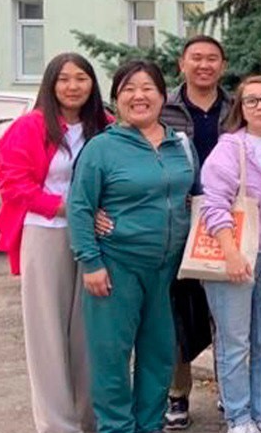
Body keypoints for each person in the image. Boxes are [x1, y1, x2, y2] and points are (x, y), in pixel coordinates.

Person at [68, 60, 197, 433]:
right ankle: (116, 427)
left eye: (147, 88)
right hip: (115, 267)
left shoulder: (180, 144)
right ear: (116, 99)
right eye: (128, 89)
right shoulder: (101, 148)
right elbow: (80, 207)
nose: (139, 96)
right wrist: (91, 262)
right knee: (112, 357)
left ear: (163, 96)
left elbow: (193, 196)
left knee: (159, 355)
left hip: (167, 270)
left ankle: (149, 425)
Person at [0, 53, 109, 433]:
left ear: (92, 84)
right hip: (45, 231)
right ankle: (58, 425)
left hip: (95, 235)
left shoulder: (104, 126)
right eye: (64, 79)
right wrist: (69, 208)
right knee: (47, 331)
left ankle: (90, 417)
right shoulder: (29, 126)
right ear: (50, 83)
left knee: (89, 329)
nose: (73, 86)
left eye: (81, 78)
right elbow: (14, 185)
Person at [200, 76, 261, 433]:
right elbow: (214, 204)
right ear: (240, 108)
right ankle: (239, 418)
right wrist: (230, 252)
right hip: (237, 257)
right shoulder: (230, 148)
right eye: (251, 100)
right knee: (235, 343)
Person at [159, 34, 234, 430]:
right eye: (196, 58)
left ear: (223, 65)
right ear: (182, 64)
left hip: (229, 222)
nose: (204, 65)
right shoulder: (163, 107)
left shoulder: (235, 108)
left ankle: (229, 390)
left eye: (212, 59)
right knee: (178, 314)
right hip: (178, 222)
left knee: (228, 310)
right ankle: (178, 394)